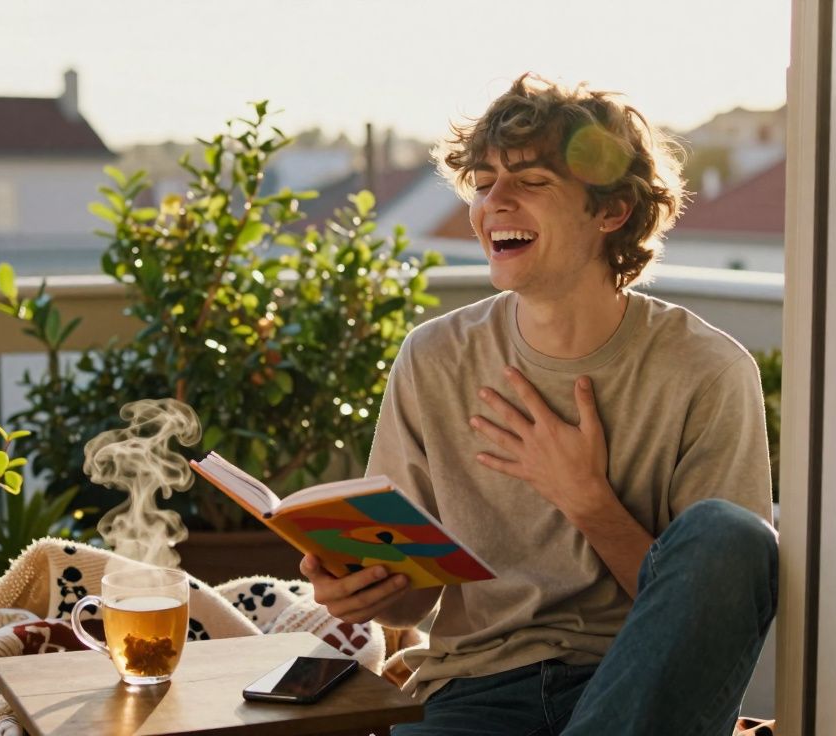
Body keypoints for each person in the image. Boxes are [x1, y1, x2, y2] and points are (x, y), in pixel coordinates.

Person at [300, 73, 778, 735]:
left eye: (531, 181)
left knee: (733, 536)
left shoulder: (707, 370)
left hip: (639, 690)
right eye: (484, 180)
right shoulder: (435, 358)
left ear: (611, 212)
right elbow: (413, 602)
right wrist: (356, 589)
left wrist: (586, 498)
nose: (493, 202)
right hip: (476, 693)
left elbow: (707, 617)